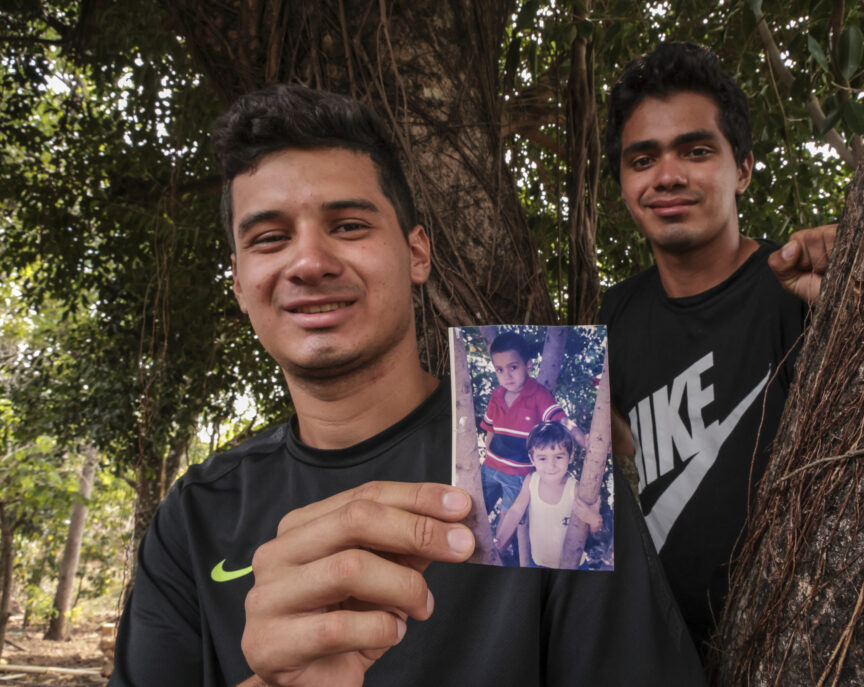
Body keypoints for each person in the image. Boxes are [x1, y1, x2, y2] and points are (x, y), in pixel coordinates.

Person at [109, 83, 704, 687]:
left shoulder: (559, 469)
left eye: (347, 225)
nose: (310, 261)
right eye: (269, 238)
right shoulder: (194, 515)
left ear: (417, 253)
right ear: (240, 283)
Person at [599, 42, 835, 657]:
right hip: (660, 657)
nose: (668, 176)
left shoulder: (803, 287)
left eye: (696, 151)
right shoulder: (608, 320)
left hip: (797, 647)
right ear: (625, 182)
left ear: (744, 168)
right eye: (642, 158)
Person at [480, 331, 585, 519]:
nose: (507, 376)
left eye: (513, 367)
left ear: (528, 365)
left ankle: (498, 548)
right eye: (500, 370)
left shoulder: (539, 395)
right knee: (477, 512)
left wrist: (582, 439)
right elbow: (490, 431)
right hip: (489, 468)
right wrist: (488, 458)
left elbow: (561, 419)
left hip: (519, 474)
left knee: (509, 519)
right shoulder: (496, 396)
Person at [493, 422, 604, 568]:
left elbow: (595, 531)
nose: (550, 466)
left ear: (570, 457)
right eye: (542, 458)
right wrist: (499, 540)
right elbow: (515, 511)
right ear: (532, 459)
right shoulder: (531, 481)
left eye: (558, 457)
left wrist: (594, 520)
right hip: (537, 563)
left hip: (574, 565)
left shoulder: (575, 489)